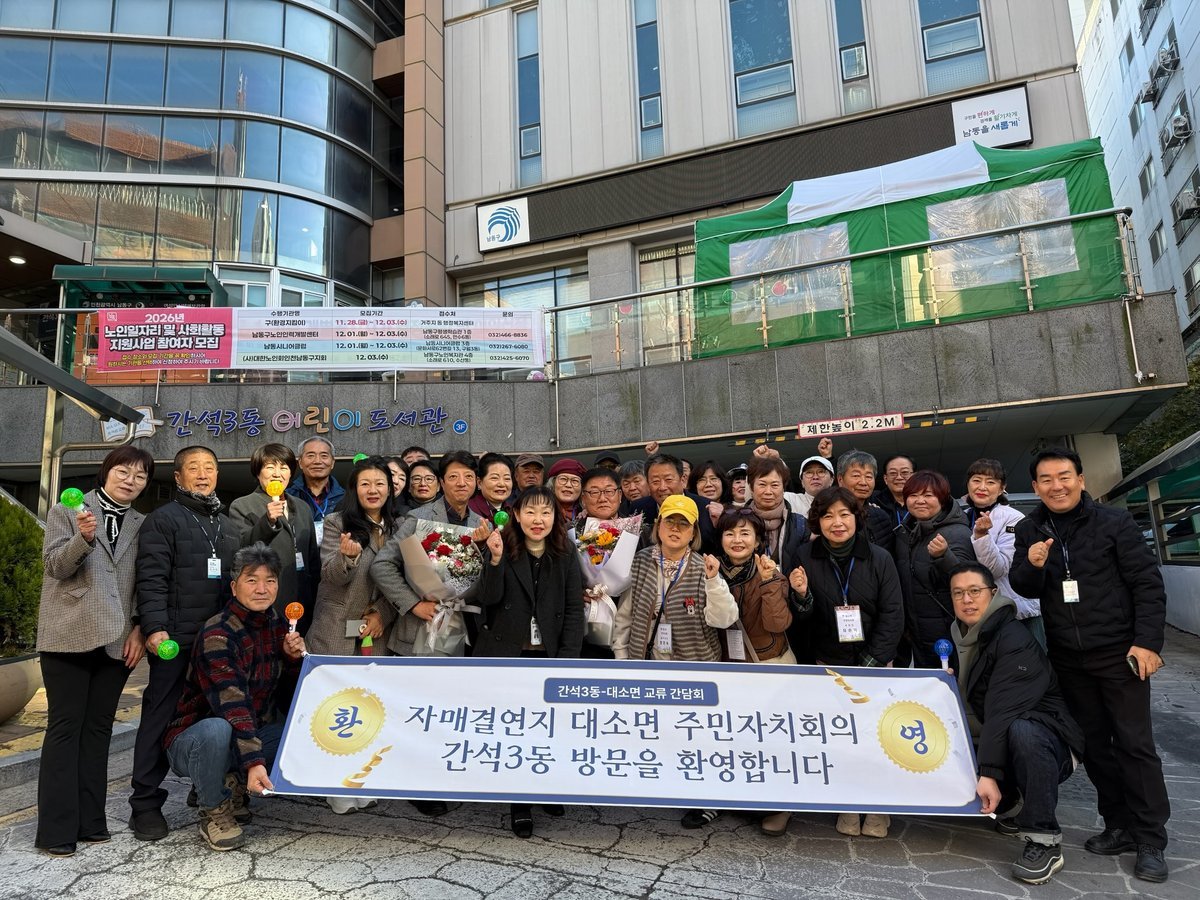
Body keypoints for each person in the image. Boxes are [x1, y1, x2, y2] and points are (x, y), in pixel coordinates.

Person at [1010, 448, 1170, 883]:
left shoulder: (1113, 522)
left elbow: (1147, 584)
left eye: (1064, 476)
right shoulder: (1029, 528)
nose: (1056, 486)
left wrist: (1147, 643)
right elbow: (1024, 586)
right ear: (1035, 486)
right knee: (1096, 745)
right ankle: (1118, 824)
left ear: (1080, 480)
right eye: (1046, 479)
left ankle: (1150, 838)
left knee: (1135, 744)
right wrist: (1033, 565)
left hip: (1121, 654)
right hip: (1068, 657)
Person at [35, 447, 154, 857]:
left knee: (99, 729)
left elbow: (144, 580)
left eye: (140, 476)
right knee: (65, 728)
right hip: (68, 633)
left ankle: (91, 822)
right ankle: (55, 831)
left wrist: (139, 627)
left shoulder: (142, 523)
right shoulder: (68, 510)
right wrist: (83, 539)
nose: (130, 480)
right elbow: (54, 566)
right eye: (123, 471)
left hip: (117, 639)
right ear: (106, 472)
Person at [163, 543, 305, 851]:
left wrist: (293, 660)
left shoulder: (277, 625)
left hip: (244, 733)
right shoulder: (218, 633)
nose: (261, 589)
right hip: (194, 741)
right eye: (252, 580)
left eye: (269, 580)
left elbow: (292, 696)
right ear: (233, 586)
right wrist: (254, 763)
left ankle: (230, 782)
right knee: (218, 729)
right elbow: (233, 704)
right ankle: (213, 808)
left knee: (299, 730)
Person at [949, 564, 1083, 886]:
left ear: (993, 593)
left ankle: (1044, 840)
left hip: (1048, 741)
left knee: (1022, 730)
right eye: (958, 593)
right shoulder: (960, 635)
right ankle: (1012, 801)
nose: (967, 600)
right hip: (1002, 733)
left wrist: (989, 773)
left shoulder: (1012, 638)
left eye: (975, 591)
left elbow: (1002, 711)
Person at [130, 446, 239, 841]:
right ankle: (145, 804)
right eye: (194, 468)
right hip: (175, 641)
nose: (203, 474)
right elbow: (151, 578)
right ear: (178, 477)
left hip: (218, 644)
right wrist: (154, 627)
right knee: (159, 717)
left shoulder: (228, 525)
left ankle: (206, 789)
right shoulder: (163, 520)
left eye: (209, 467)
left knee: (216, 717)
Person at [611, 495, 738, 830]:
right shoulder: (642, 560)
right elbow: (627, 612)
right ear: (659, 526)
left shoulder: (703, 566)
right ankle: (669, 787)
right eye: (670, 521)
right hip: (648, 659)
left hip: (695, 665)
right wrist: (622, 656)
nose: (676, 529)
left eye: (684, 524)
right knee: (661, 730)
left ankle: (708, 800)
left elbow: (724, 619)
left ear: (694, 531)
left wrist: (714, 582)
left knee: (697, 734)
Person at [792, 486, 904, 839]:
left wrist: (872, 661)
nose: (837, 522)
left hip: (875, 663)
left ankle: (878, 806)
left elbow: (893, 614)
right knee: (841, 737)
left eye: (844, 514)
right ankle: (848, 803)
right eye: (828, 516)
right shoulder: (804, 556)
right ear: (817, 521)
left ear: (857, 517)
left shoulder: (879, 557)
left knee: (876, 736)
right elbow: (801, 618)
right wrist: (802, 596)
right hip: (829, 663)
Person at [479, 486, 584, 837]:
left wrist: (568, 659)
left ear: (556, 517)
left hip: (549, 654)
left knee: (549, 726)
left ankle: (545, 788)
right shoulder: (502, 546)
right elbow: (488, 599)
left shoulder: (566, 551)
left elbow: (573, 609)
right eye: (530, 512)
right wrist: (495, 561)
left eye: (546, 512)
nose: (538, 520)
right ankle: (519, 801)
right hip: (509, 654)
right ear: (516, 514)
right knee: (516, 729)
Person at [370, 450, 489, 657]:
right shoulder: (418, 518)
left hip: (465, 629)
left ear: (477, 482)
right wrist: (413, 604)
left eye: (468, 476)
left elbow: (489, 580)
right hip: (417, 628)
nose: (462, 483)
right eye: (453, 476)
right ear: (442, 483)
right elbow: (382, 565)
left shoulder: (483, 525)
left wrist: (484, 549)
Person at [307, 458, 399, 660]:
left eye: (379, 484)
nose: (372, 490)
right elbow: (331, 576)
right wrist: (347, 557)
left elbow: (403, 583)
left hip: (378, 633)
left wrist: (381, 614)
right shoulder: (337, 523)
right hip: (335, 632)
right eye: (365, 484)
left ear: (389, 490)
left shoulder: (399, 528)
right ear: (354, 490)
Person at [228, 443, 319, 634]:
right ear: (258, 472)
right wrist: (267, 521)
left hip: (302, 600)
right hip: (267, 599)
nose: (277, 474)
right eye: (270, 467)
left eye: (284, 468)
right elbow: (243, 548)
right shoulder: (242, 505)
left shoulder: (302, 507)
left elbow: (312, 558)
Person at [895, 470, 976, 670]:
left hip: (950, 634)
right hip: (917, 632)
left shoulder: (957, 532)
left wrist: (944, 556)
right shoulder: (904, 533)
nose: (920, 501)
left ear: (942, 499)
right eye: (913, 495)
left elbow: (968, 581)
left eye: (928, 495)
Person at [960, 458, 1044, 647]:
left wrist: (982, 536)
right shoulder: (964, 517)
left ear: (1001, 489)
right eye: (976, 480)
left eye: (990, 482)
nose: (982, 487)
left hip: (1018, 613)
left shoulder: (1013, 518)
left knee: (1032, 662)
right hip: (982, 613)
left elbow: (997, 569)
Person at [835, 450, 895, 554]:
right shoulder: (828, 516)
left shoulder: (881, 516)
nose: (863, 482)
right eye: (856, 476)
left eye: (868, 477)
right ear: (840, 479)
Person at [286, 437, 344, 546]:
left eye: (324, 456)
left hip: (333, 555)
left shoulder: (346, 498)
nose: (317, 461)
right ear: (300, 463)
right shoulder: (286, 497)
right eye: (310, 456)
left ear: (332, 463)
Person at [469, 452, 514, 522]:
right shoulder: (469, 510)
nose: (501, 484)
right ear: (479, 483)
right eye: (494, 478)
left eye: (507, 478)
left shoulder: (514, 512)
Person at [546, 458, 586, 529]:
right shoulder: (542, 510)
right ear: (553, 484)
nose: (568, 485)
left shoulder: (587, 513)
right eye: (563, 479)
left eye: (575, 481)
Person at [876, 455, 915, 527]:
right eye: (893, 473)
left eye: (904, 472)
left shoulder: (925, 501)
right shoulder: (873, 501)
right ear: (885, 479)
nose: (899, 477)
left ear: (914, 476)